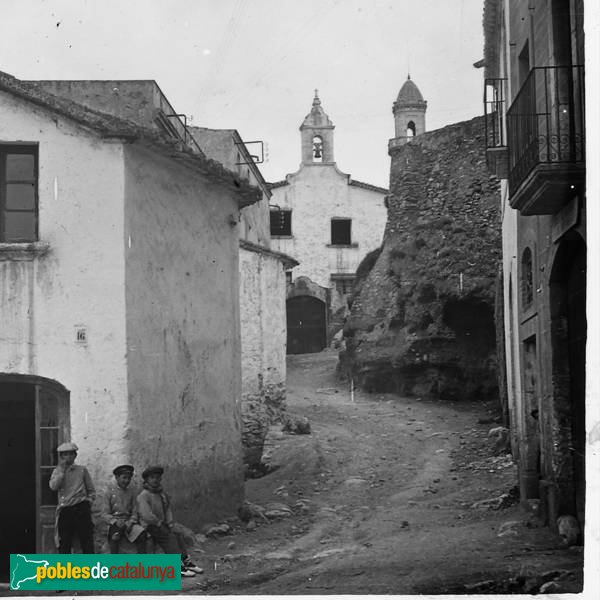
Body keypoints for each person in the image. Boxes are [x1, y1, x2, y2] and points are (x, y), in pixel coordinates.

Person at [136, 466, 203, 577]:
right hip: (150, 525)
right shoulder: (143, 496)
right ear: (146, 480)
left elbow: (167, 509)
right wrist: (159, 524)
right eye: (152, 478)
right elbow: (146, 515)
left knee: (178, 534)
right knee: (168, 537)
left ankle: (186, 562)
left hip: (162, 523)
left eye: (158, 477)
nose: (155, 480)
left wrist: (170, 523)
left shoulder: (161, 494)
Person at [49, 442, 96, 553]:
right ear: (61, 457)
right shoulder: (57, 471)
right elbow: (53, 487)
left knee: (87, 540)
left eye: (71, 454)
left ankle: (90, 567)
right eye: (65, 455)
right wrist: (62, 472)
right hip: (66, 509)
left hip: (81, 508)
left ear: (75, 456)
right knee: (64, 542)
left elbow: (91, 490)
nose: (68, 457)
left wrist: (88, 502)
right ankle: (64, 568)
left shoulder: (82, 470)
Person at [100, 464, 146, 553]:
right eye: (124, 478)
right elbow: (104, 513)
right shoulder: (109, 492)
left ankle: (142, 562)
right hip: (115, 522)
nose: (126, 481)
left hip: (129, 522)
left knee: (142, 535)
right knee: (115, 537)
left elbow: (135, 510)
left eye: (129, 478)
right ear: (117, 477)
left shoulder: (132, 492)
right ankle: (115, 562)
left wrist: (131, 521)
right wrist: (115, 521)